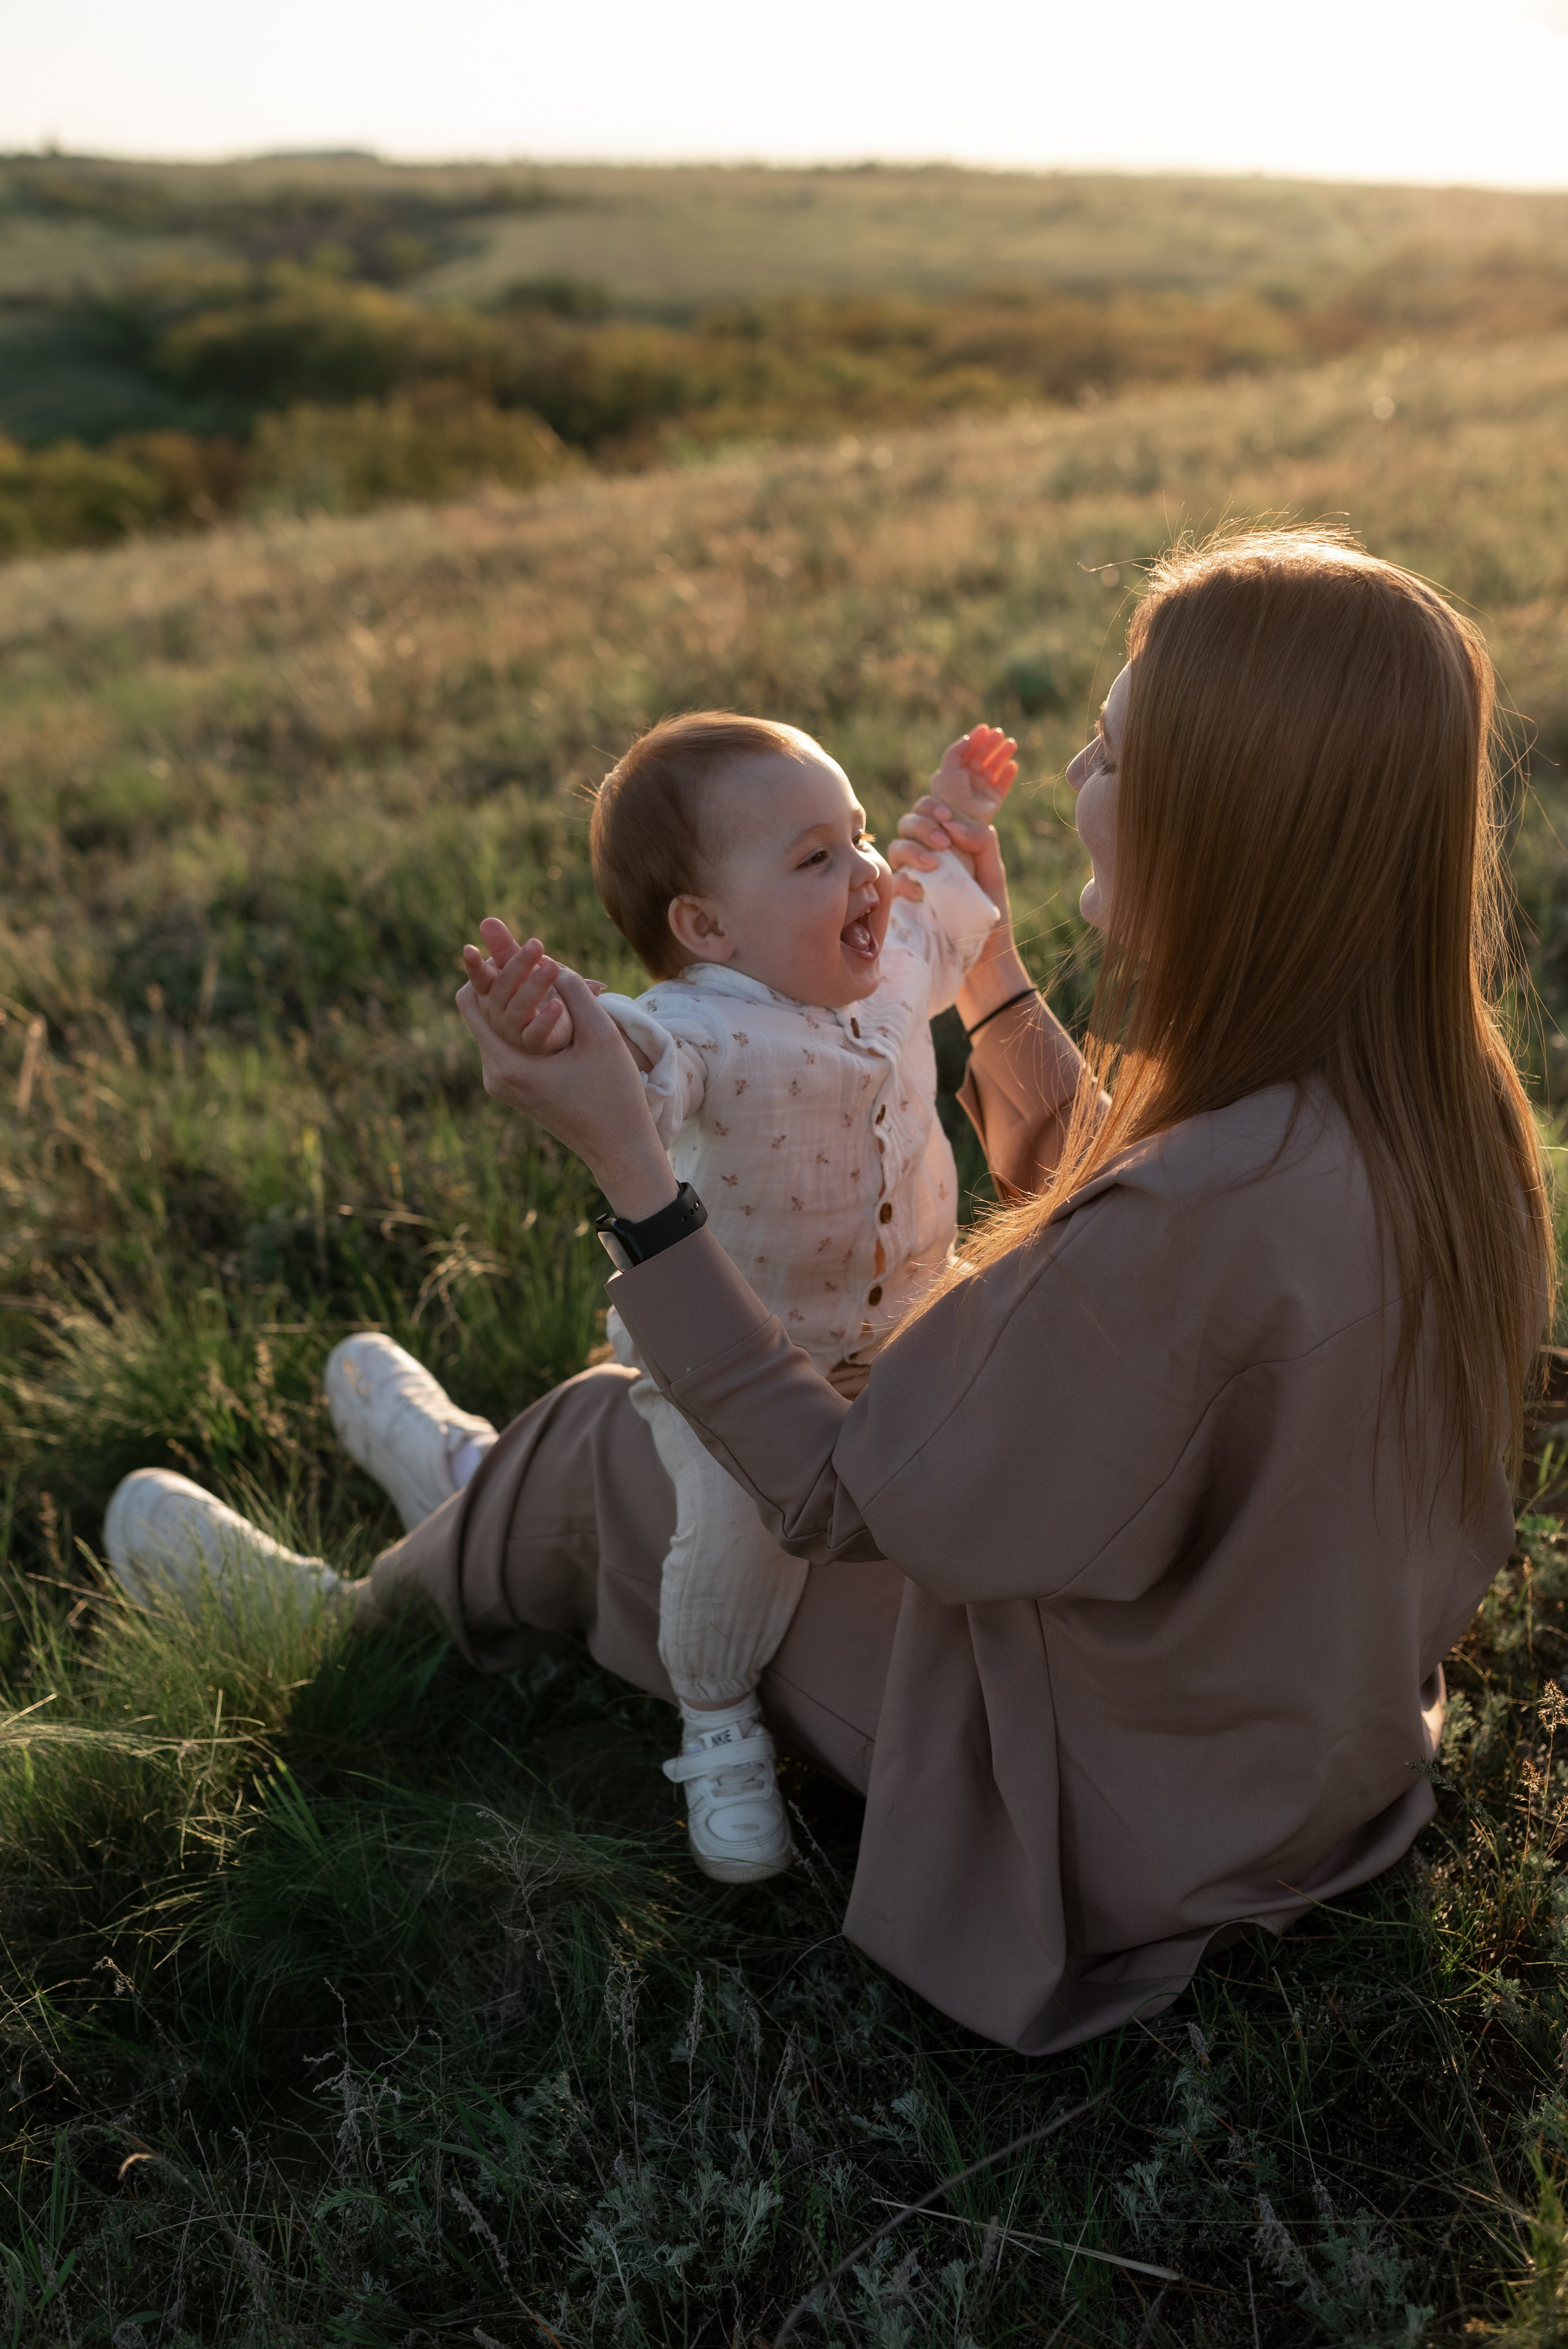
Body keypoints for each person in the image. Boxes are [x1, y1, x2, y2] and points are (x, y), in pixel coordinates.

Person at [104, 528, 1553, 2057]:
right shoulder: (1438, 1106)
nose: (1072, 774)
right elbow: (1114, 1204)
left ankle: (366, 1604)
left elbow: (832, 1490)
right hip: (1299, 1741)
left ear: (1228, 821)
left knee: (623, 1435)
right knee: (639, 1447)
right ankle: (478, 1485)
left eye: (1112, 752)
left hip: (1097, 1793)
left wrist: (632, 1177)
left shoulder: (1187, 1217)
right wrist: (988, 983)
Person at [461, 711, 1012, 1885]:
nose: (865, 870)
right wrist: (571, 1025)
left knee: (1009, 1396)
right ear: (708, 930)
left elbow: (941, 917)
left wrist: (954, 816)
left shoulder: (885, 968)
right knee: (741, 1531)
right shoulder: (707, 1025)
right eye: (816, 859)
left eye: (857, 833)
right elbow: (641, 1065)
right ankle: (715, 1720)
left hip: (915, 1313)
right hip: (745, 1362)